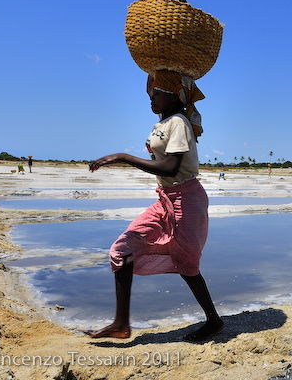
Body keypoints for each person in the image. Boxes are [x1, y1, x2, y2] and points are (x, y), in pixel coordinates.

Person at [84, 70, 222, 342]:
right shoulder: (164, 122)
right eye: (151, 94)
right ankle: (121, 325)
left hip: (187, 200)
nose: (151, 99)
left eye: (156, 94)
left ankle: (214, 321)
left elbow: (171, 167)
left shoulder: (179, 123)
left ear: (173, 95)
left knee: (188, 264)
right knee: (122, 250)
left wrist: (123, 156)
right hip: (166, 199)